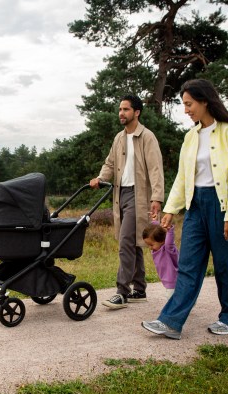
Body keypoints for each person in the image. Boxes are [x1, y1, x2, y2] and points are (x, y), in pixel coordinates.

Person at [142, 78, 228, 340]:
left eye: (189, 104)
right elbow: (183, 176)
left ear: (204, 101)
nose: (186, 109)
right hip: (195, 206)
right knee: (188, 266)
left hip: (222, 206)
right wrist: (171, 208)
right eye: (184, 105)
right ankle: (170, 322)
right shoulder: (191, 137)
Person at [90, 94, 165, 309]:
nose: (121, 113)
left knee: (125, 243)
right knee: (133, 242)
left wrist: (157, 198)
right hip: (120, 195)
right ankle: (139, 289)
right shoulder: (119, 138)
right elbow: (110, 163)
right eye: (120, 109)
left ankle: (122, 292)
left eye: (126, 109)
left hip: (139, 195)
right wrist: (101, 178)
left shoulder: (147, 137)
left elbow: (156, 169)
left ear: (137, 112)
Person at [142, 220, 178, 299]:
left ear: (162, 240)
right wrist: (154, 220)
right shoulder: (156, 249)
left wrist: (170, 229)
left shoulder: (168, 249)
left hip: (174, 281)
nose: (150, 247)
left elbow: (169, 242)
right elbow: (156, 229)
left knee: (171, 299)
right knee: (174, 299)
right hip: (169, 282)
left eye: (151, 244)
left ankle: (185, 304)